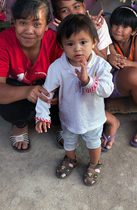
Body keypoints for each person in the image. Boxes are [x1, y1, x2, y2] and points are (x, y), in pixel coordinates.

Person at [51, 0, 137, 150]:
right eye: (65, 10)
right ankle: (110, 121)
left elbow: (105, 65)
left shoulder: (98, 25)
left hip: (101, 81)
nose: (72, 13)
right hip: (74, 86)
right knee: (73, 88)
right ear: (56, 15)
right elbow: (60, 69)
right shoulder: (53, 32)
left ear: (85, 6)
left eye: (76, 7)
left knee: (136, 76)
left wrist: (91, 36)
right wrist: (61, 34)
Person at [35, 14, 114, 186]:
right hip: (68, 116)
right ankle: (71, 159)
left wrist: (88, 82)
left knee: (93, 142)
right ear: (62, 46)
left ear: (94, 42)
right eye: (70, 44)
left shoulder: (100, 65)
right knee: (68, 140)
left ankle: (94, 164)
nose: (77, 49)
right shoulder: (58, 66)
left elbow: (107, 90)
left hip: (93, 117)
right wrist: (42, 114)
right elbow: (46, 91)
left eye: (83, 42)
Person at [0, 0, 64, 153]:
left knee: (68, 94)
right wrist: (28, 91)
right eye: (23, 23)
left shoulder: (56, 41)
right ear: (13, 21)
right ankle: (20, 124)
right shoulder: (2, 42)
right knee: (8, 104)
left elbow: (70, 76)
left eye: (36, 24)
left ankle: (57, 123)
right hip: (21, 93)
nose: (29, 30)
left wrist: (59, 94)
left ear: (47, 24)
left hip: (48, 93)